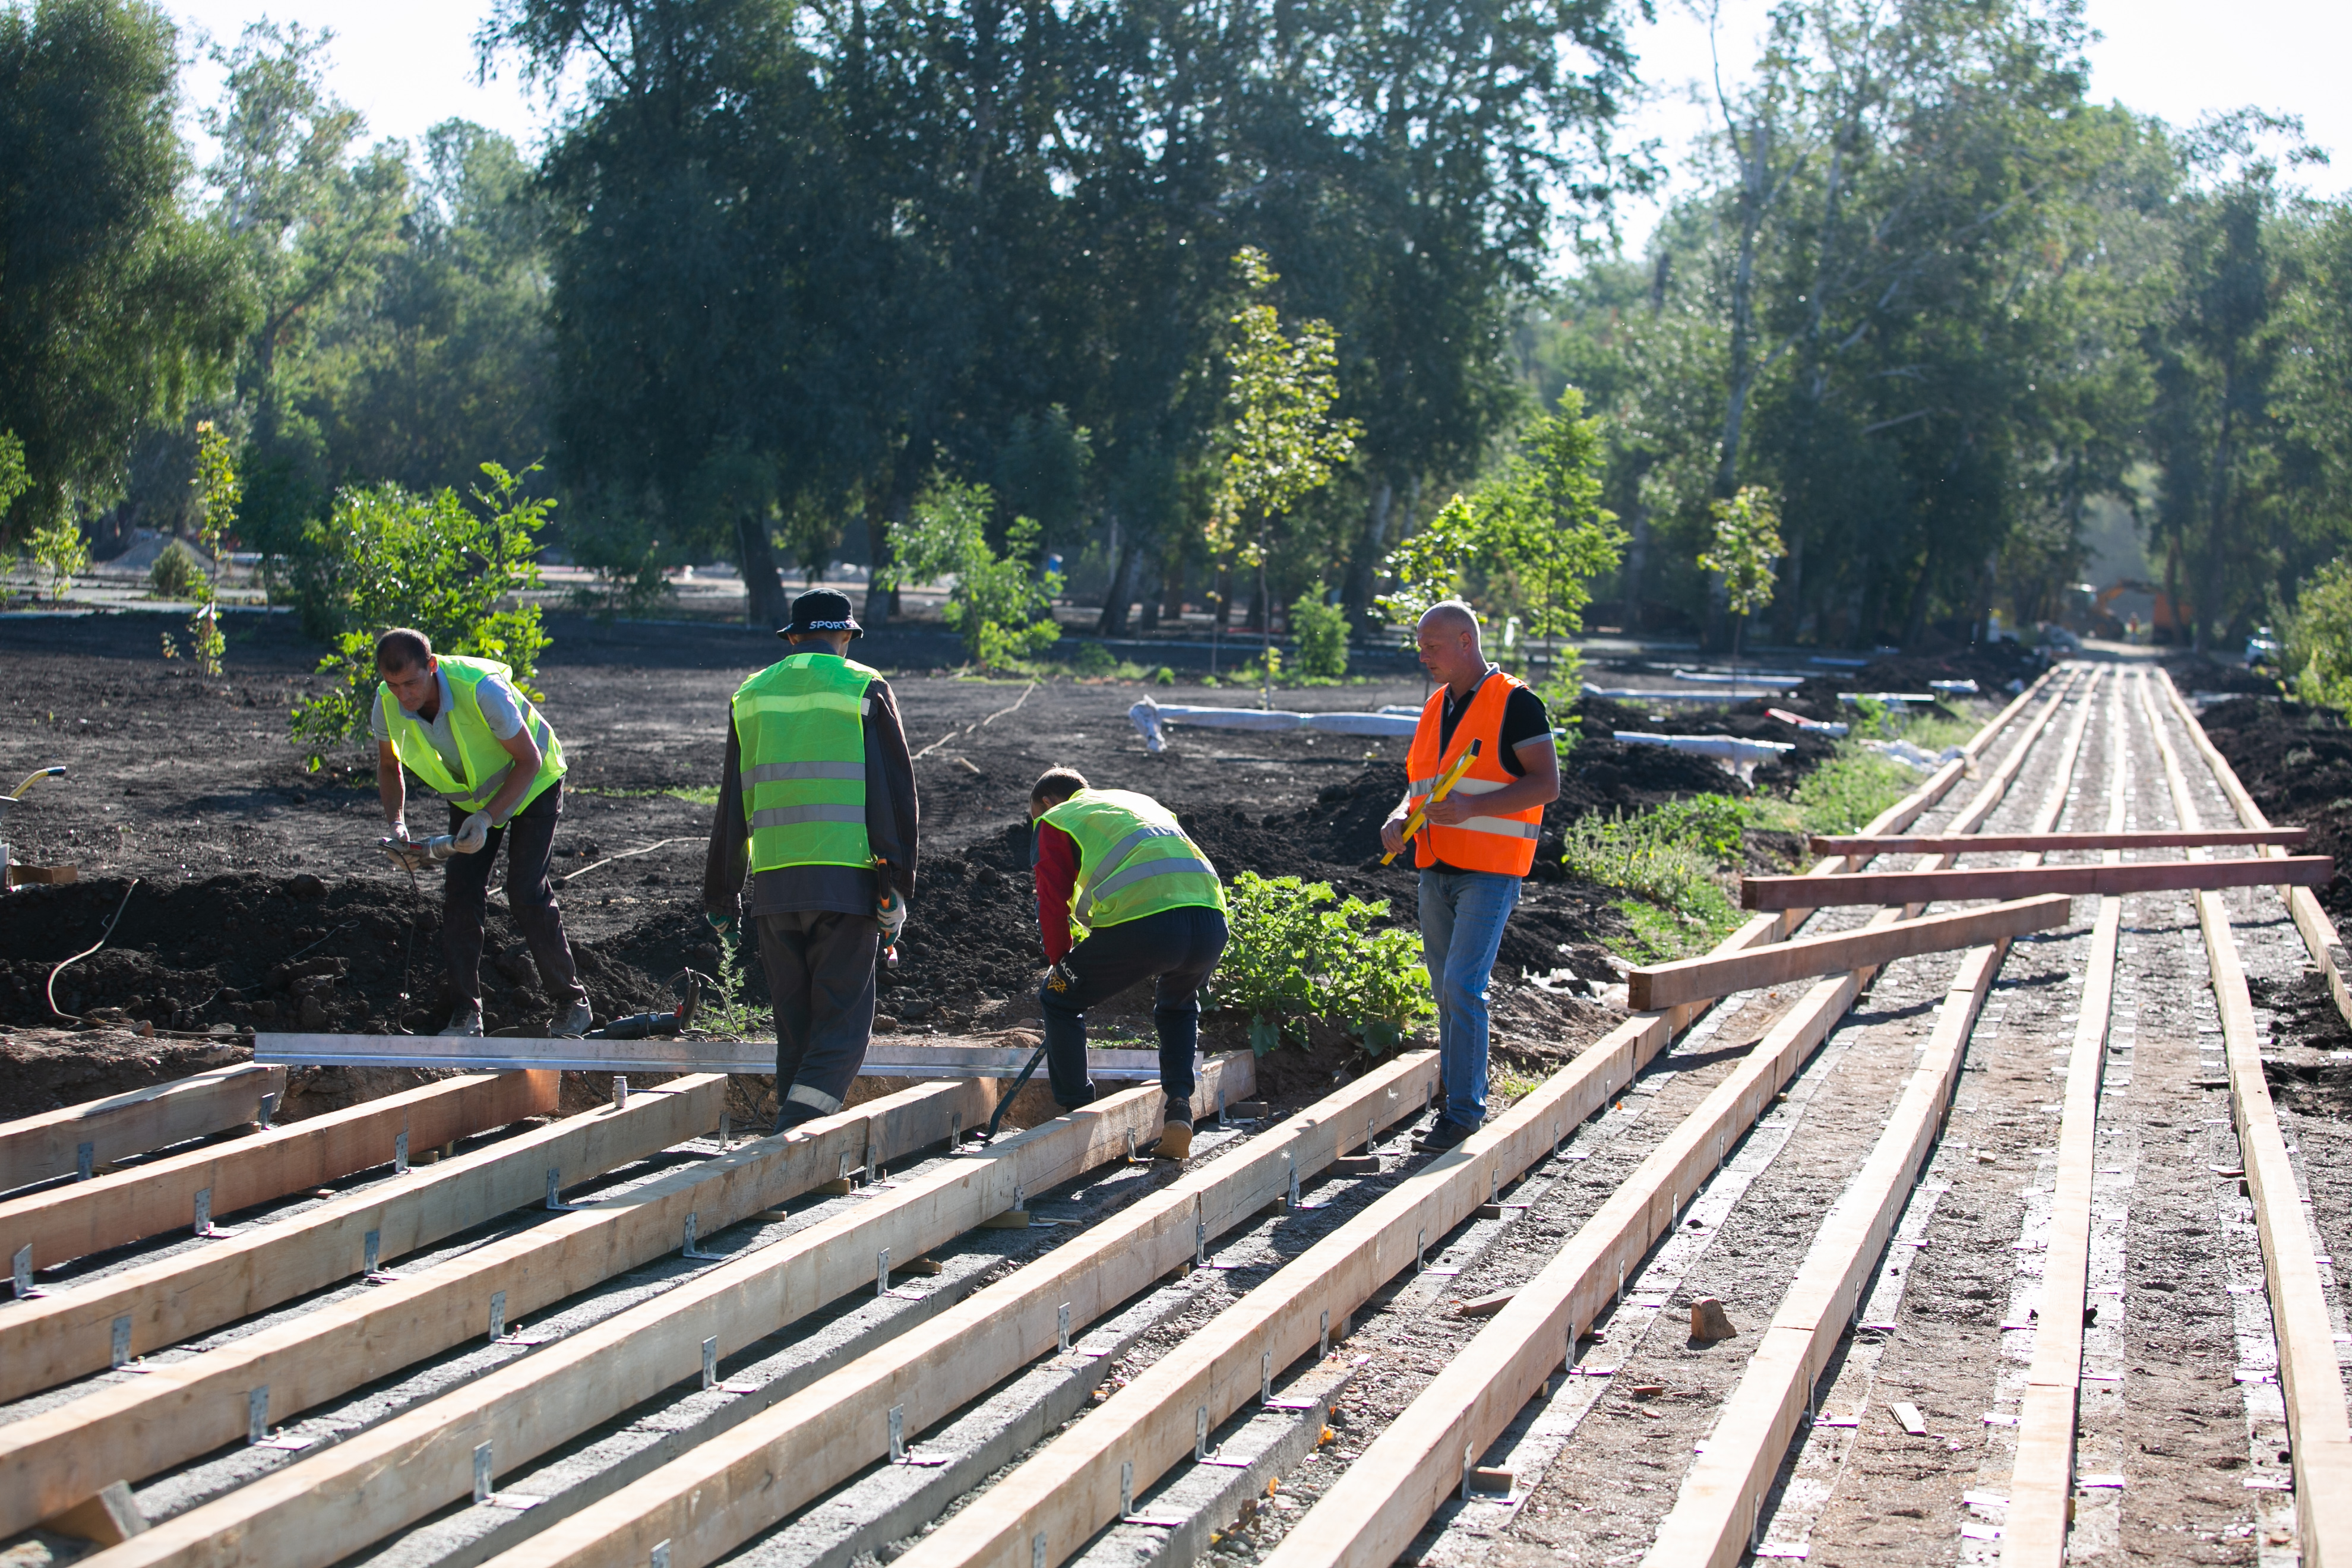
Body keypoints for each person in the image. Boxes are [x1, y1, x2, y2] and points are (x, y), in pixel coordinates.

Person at [704, 589, 918, 1132]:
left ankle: (790, 1140)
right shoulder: (863, 686)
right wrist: (895, 883)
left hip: (774, 890)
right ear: (845, 637)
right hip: (846, 887)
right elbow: (892, 795)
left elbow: (731, 803)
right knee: (843, 1026)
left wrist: (723, 892)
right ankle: (792, 1135)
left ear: (794, 638)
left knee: (795, 1027)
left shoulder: (749, 696)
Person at [1379, 602, 1561, 1150]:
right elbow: (1423, 785)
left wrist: (1472, 811)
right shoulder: (1437, 706)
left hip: (1489, 873)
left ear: (1465, 642)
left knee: (1463, 985)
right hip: (1436, 868)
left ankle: (1463, 1111)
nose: (1423, 655)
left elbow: (1546, 784)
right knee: (1445, 991)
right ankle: (1455, 1101)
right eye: (1420, 645)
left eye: (1432, 646)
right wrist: (1398, 816)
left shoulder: (1517, 703)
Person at [372, 628, 593, 1038]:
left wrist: (489, 818)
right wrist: (397, 824)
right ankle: (466, 1014)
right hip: (474, 796)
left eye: (412, 683)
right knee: (460, 891)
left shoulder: (481, 689)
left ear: (432, 666)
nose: (404, 695)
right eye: (394, 685)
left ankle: (572, 1002)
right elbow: (389, 766)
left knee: (525, 890)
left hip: (534, 781)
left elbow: (527, 760)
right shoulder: (386, 704)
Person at [1029, 769, 1226, 1159]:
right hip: (1210, 922)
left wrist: (1059, 968)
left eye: (1033, 816)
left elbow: (1051, 903)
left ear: (1049, 803)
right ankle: (1179, 1107)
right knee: (1178, 1007)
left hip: (1148, 926)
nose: (1034, 826)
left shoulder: (1057, 819)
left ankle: (1076, 1111)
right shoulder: (1138, 803)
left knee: (1059, 1000)